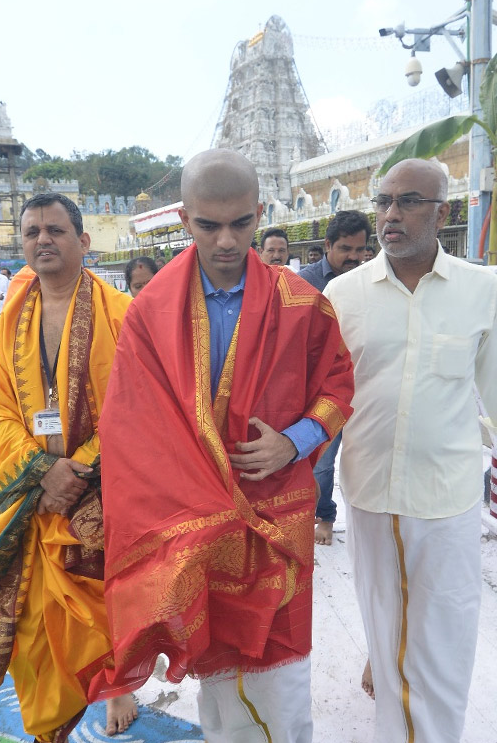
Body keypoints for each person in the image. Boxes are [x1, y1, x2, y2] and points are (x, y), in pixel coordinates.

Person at [88, 150, 354, 743]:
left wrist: (294, 441)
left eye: (241, 222)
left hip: (275, 513)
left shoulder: (303, 303)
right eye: (210, 225)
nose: (228, 239)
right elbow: (128, 423)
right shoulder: (150, 310)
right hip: (190, 519)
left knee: (281, 675)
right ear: (185, 219)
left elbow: (338, 384)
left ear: (260, 213)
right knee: (216, 671)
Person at [0, 194, 136, 741]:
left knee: (101, 604)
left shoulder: (121, 314)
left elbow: (136, 406)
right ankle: (50, 724)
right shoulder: (15, 314)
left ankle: (115, 684)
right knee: (37, 626)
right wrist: (42, 469)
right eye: (32, 231)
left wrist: (77, 469)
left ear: (83, 242)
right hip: (36, 488)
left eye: (56, 230)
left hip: (102, 487)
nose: (43, 239)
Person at [325, 159, 497, 743]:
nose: (390, 215)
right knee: (387, 631)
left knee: (444, 639)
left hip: (447, 497)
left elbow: (494, 396)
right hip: (370, 493)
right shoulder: (342, 294)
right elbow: (326, 397)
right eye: (383, 202)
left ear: (441, 212)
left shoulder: (483, 290)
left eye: (408, 202)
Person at [299, 210, 372, 545]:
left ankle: (366, 522)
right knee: (322, 464)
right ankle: (324, 517)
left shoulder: (372, 280)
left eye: (360, 250)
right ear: (327, 245)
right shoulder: (306, 282)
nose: (353, 257)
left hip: (365, 388)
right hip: (320, 392)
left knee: (368, 459)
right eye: (345, 249)